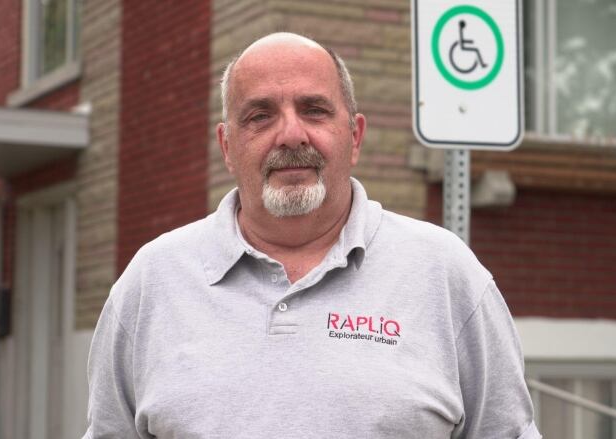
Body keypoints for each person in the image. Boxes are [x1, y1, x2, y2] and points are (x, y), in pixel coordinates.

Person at [84, 32, 541, 439]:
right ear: (227, 146)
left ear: (355, 137)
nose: (290, 135)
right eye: (260, 116)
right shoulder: (152, 281)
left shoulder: (444, 274)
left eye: (315, 110)